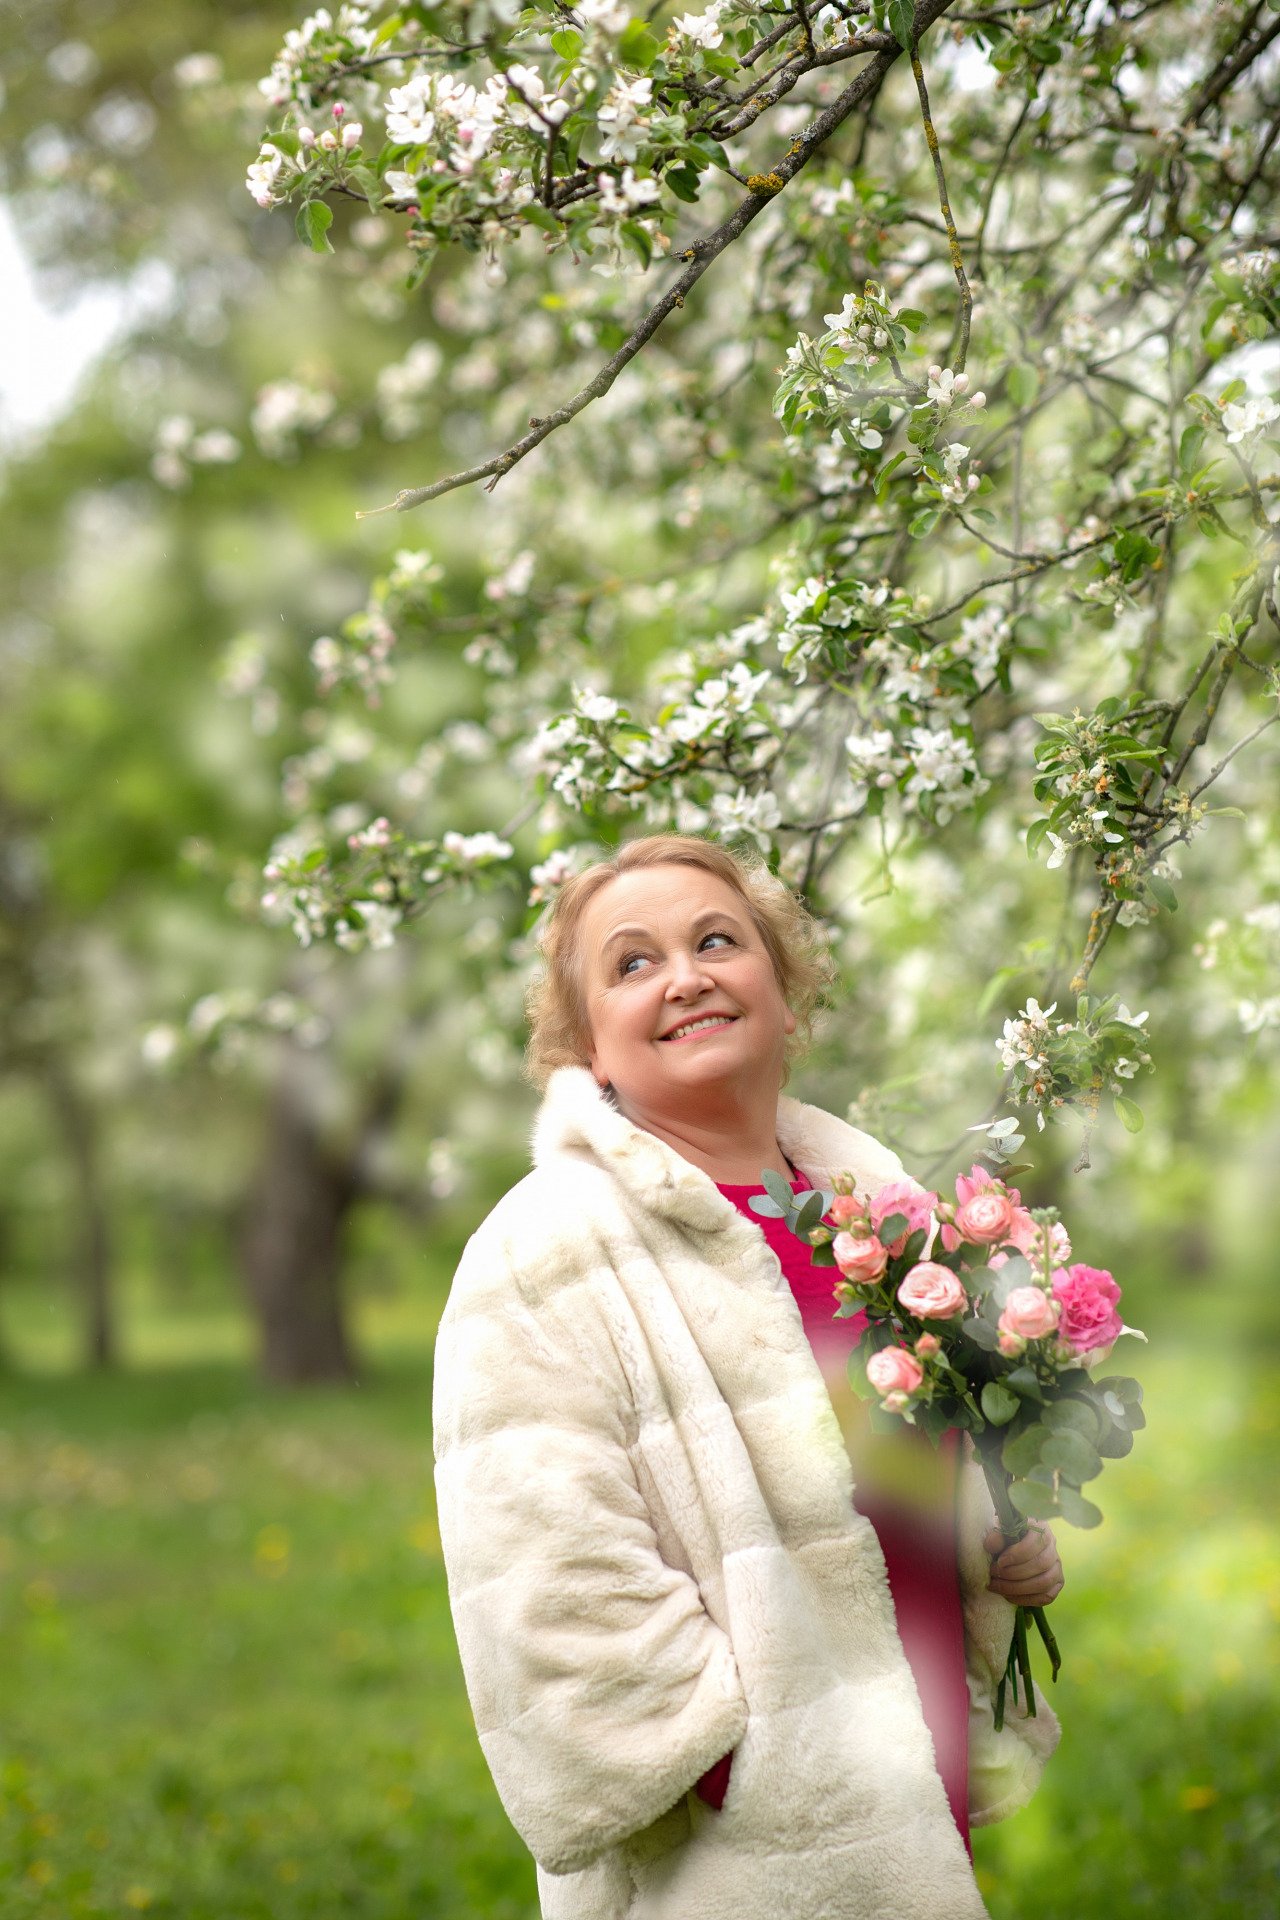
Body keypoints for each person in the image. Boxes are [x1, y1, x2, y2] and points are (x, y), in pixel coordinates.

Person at [434, 835, 1063, 1920]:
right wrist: (733, 1759)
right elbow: (546, 1567)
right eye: (630, 964)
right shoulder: (537, 1253)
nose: (683, 977)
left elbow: (889, 1476)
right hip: (740, 1847)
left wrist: (989, 1543)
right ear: (586, 1043)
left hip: (911, 1764)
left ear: (782, 994)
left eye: (715, 941)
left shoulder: (876, 1208)